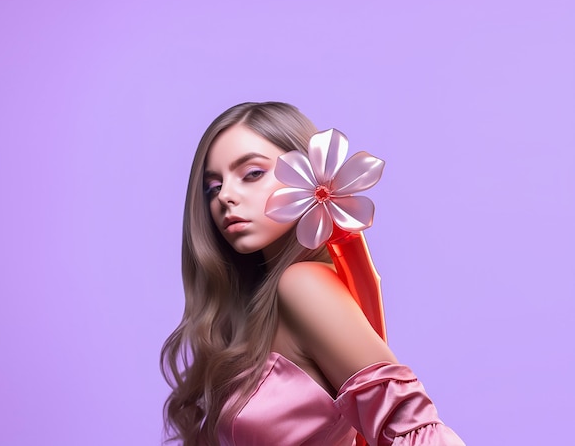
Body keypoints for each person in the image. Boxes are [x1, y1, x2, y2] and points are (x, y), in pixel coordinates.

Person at [161, 102, 465, 445]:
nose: (226, 197)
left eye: (252, 174)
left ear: (309, 178)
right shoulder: (250, 313)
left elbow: (417, 431)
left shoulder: (303, 286)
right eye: (212, 187)